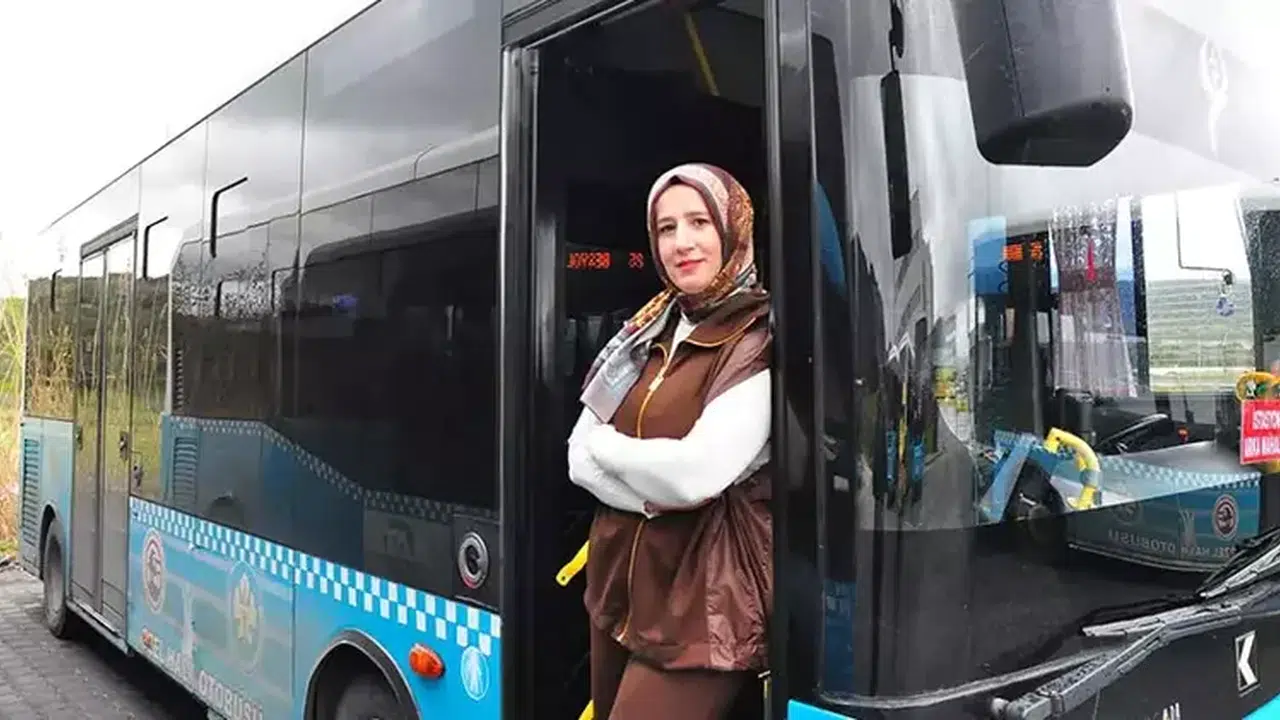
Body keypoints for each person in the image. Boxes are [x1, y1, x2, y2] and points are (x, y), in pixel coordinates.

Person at [568, 162, 773, 719]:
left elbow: (694, 474)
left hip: (702, 608)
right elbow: (575, 458)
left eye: (699, 222)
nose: (682, 242)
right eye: (666, 228)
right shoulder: (647, 329)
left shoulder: (758, 337)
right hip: (618, 591)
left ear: (733, 228)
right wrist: (650, 497)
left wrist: (608, 448)